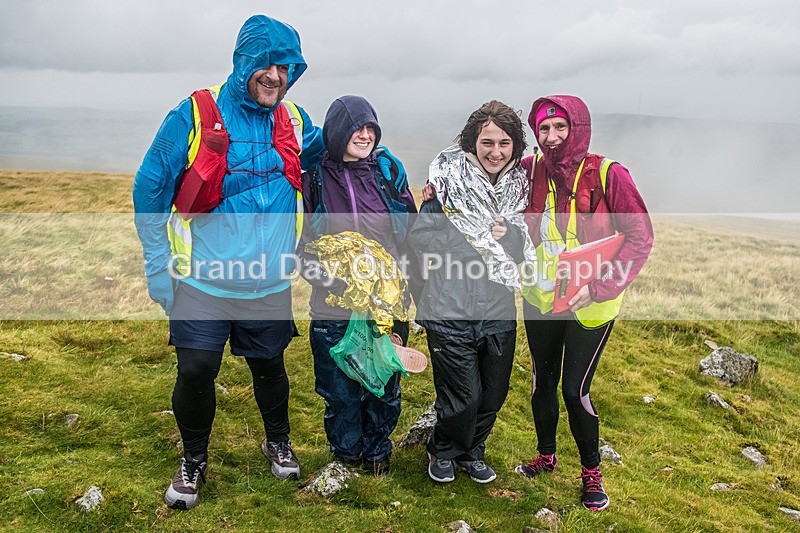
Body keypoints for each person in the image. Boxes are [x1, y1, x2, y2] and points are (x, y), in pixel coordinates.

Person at [132, 15, 324, 510]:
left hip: (266, 283)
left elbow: (344, 141)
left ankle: (277, 439)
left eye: (286, 67)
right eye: (267, 64)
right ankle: (193, 459)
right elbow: (149, 187)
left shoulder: (294, 121)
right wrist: (158, 267)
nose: (276, 76)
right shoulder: (195, 114)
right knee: (196, 369)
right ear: (244, 62)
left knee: (269, 367)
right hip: (203, 279)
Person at [514, 95, 653, 512]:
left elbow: (640, 239)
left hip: (592, 304)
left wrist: (597, 289)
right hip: (541, 296)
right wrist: (437, 186)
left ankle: (592, 474)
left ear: (578, 128)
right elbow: (483, 171)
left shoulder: (610, 174)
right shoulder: (529, 170)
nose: (552, 137)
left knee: (575, 392)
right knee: (542, 381)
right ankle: (546, 455)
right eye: (543, 129)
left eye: (560, 127)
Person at [410, 100, 535, 484]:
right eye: (487, 142)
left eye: (504, 143)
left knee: (493, 394)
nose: (495, 152)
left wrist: (510, 235)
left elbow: (526, 249)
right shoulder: (447, 188)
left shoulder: (520, 191)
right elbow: (420, 239)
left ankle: (471, 451)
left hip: (497, 308)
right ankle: (443, 449)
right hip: (450, 305)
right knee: (463, 394)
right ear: (472, 144)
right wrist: (467, 239)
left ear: (515, 145)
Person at [296, 95, 419, 476]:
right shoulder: (313, 176)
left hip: (387, 305)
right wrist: (331, 280)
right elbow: (302, 246)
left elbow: (410, 232)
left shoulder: (386, 170)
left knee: (382, 385)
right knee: (340, 389)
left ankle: (378, 451)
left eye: (370, 128)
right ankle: (346, 456)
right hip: (333, 305)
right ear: (336, 131)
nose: (364, 135)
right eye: (355, 128)